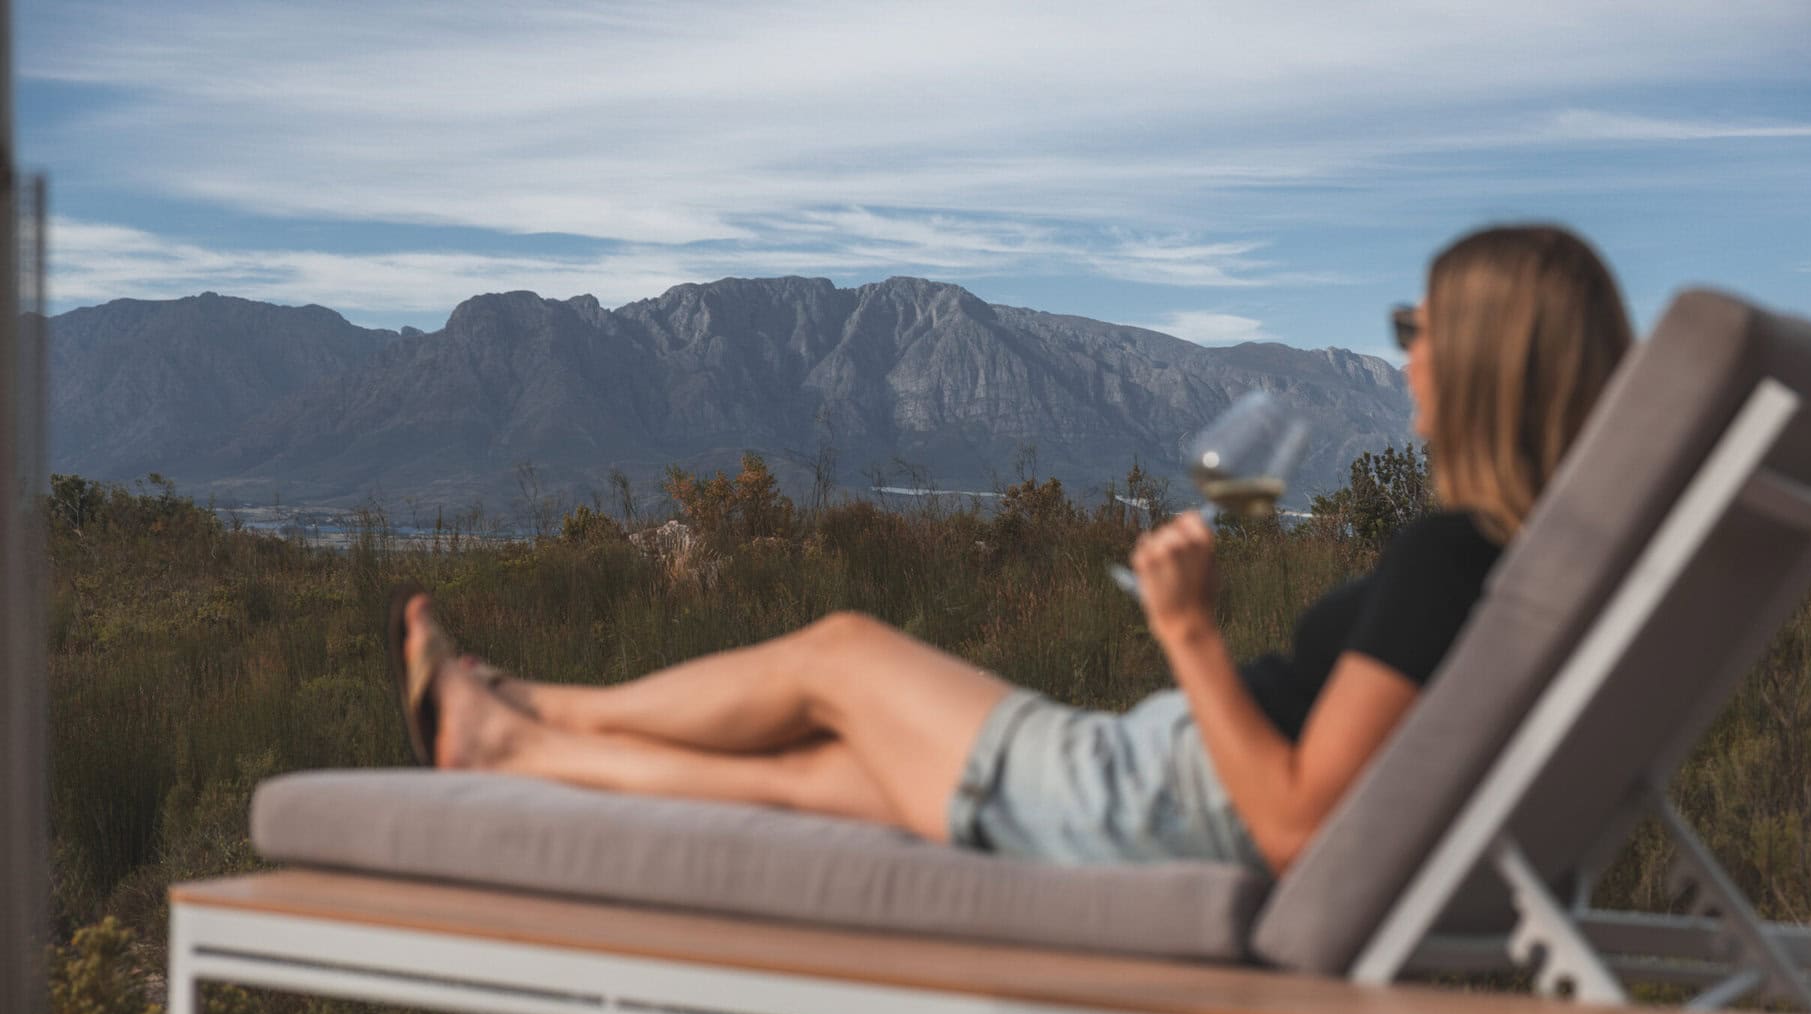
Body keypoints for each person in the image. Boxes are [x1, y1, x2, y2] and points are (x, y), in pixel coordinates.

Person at [394, 224, 1632, 879]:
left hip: (1157, 801)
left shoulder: (1452, 556)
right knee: (815, 775)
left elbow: (1298, 824)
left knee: (839, 654)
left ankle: (526, 703)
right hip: (1166, 793)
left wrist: (1188, 629)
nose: (1404, 348)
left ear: (1486, 359)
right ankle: (509, 742)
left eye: (1418, 323)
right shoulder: (1532, 568)